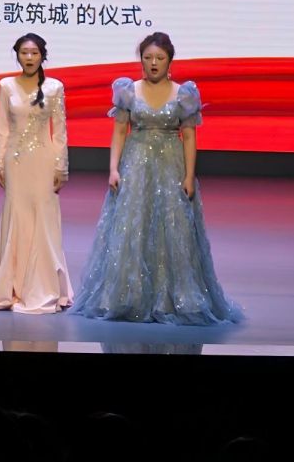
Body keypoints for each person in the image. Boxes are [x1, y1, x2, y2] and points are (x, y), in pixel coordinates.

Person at [70, 32, 239, 324]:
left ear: (170, 60)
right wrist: (113, 168)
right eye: (148, 57)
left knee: (173, 228)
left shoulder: (183, 93)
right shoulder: (129, 91)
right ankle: (128, 296)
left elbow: (189, 136)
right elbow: (119, 131)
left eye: (159, 58)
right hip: (136, 166)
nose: (153, 63)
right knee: (132, 227)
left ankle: (173, 297)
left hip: (171, 166)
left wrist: (189, 175)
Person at [0, 31, 74, 314]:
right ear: (17, 55)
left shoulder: (55, 87)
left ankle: (44, 287)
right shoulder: (6, 85)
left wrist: (62, 166)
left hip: (44, 162)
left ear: (43, 56)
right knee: (16, 219)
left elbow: (60, 132)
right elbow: (2, 128)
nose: (29, 58)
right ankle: (11, 286)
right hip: (15, 163)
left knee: (44, 220)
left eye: (34, 53)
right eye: (24, 52)